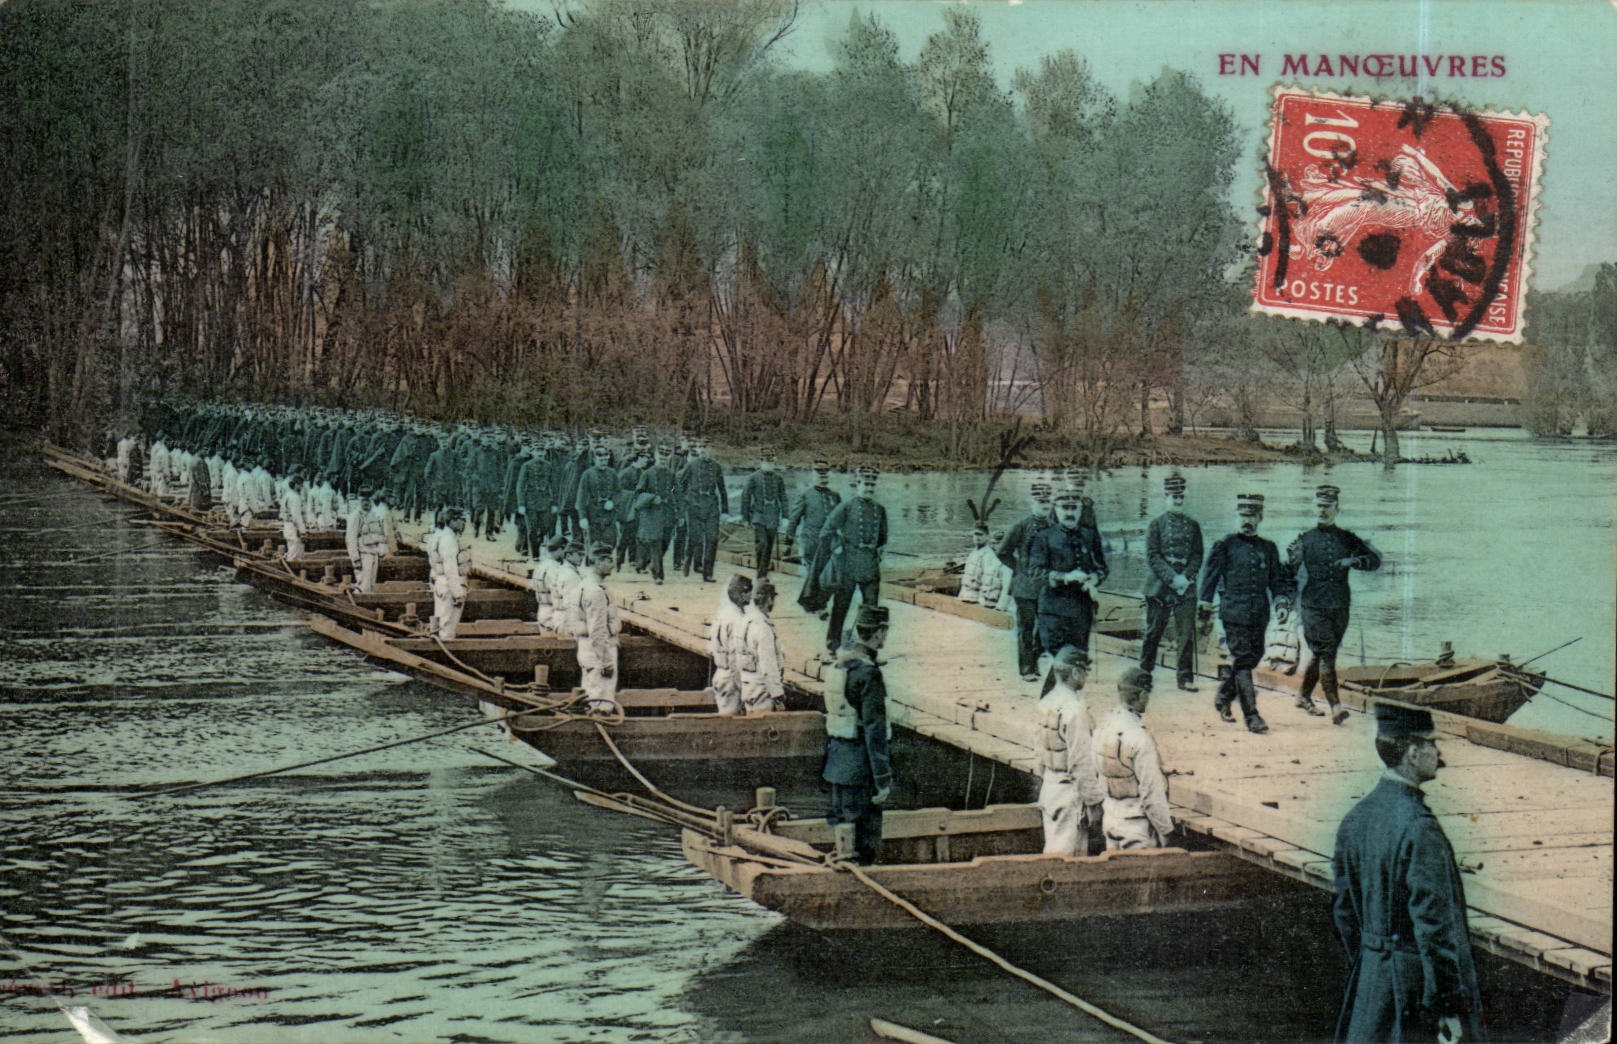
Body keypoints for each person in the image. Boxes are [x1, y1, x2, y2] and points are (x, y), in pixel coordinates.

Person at [1332, 703, 1484, 1044]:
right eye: (1432, 744)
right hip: (1415, 994)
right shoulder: (1421, 829)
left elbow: (1343, 912)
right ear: (1413, 753)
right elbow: (1434, 928)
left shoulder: (1355, 817)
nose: (1439, 753)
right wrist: (1447, 1005)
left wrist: (1374, 959)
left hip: (1371, 984)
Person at [1199, 493, 1293, 734]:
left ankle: (1223, 695)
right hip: (1233, 613)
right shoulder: (1224, 545)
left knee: (1255, 656)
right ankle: (1252, 716)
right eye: (1242, 515)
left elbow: (1277, 582)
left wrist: (1281, 604)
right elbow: (1209, 579)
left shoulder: (1269, 549)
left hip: (1259, 615)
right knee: (1242, 662)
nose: (1246, 520)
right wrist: (1204, 606)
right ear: (1236, 516)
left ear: (1260, 517)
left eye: (1251, 515)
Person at [1288, 484, 1382, 724]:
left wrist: (1353, 560)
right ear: (1313, 507)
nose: (1323, 511)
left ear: (1337, 509)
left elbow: (1374, 561)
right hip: (1312, 605)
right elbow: (1287, 573)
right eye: (1319, 506)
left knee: (1322, 653)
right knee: (1327, 652)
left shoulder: (1347, 538)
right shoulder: (1304, 539)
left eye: (1327, 506)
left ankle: (1303, 696)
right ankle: (1336, 707)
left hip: (1340, 606)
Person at [822, 604, 894, 865]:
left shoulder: (840, 666)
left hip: (837, 766)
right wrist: (883, 778)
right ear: (878, 633)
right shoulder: (869, 675)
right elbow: (874, 730)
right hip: (861, 770)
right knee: (866, 844)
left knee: (842, 830)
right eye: (884, 631)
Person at [1093, 666, 1174, 849]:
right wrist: (1165, 830)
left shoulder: (1103, 727)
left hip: (1111, 818)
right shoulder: (1139, 738)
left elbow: (1095, 771)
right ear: (1143, 695)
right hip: (1135, 826)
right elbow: (1151, 793)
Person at [1028, 481, 1108, 667]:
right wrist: (1065, 577)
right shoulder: (1043, 537)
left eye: (1074, 508)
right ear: (1056, 509)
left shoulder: (1089, 535)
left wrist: (1094, 580)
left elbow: (1102, 568)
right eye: (1065, 508)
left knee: (1078, 664)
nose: (1070, 513)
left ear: (1081, 510)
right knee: (1062, 663)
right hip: (1054, 611)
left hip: (1082, 611)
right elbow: (1035, 572)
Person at [1036, 645, 1105, 855]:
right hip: (1069, 794)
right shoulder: (1075, 710)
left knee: (1053, 853)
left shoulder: (1045, 703)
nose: (1086, 675)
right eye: (1085, 670)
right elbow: (1080, 763)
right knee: (1069, 863)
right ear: (1075, 672)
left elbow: (1038, 755)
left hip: (1050, 788)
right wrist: (1094, 802)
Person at [1139, 473, 1204, 691]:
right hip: (1160, 586)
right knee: (1153, 631)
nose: (1178, 501)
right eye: (1173, 497)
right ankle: (1145, 674)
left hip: (1185, 586)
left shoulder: (1193, 525)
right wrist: (1172, 578)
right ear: (1165, 497)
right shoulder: (1156, 525)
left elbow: (1197, 555)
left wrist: (1185, 578)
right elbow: (1153, 556)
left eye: (1181, 497)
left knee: (1186, 633)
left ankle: (1185, 677)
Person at [818, 465, 888, 654]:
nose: (869, 489)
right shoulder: (847, 506)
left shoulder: (880, 510)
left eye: (872, 486)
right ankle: (832, 646)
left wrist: (880, 551)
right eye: (865, 485)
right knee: (841, 606)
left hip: (870, 565)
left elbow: (883, 538)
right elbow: (826, 531)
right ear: (857, 484)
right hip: (848, 565)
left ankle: (869, 650)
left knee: (871, 610)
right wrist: (837, 547)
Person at [996, 481, 1054, 681]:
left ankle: (1034, 659)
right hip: (1025, 587)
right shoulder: (1021, 526)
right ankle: (1027, 668)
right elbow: (1002, 552)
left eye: (1047, 501)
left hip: (1047, 587)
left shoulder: (1055, 527)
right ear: (1032, 503)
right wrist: (1020, 570)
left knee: (1047, 627)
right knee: (1026, 628)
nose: (1044, 505)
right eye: (1040, 501)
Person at [572, 542, 621, 715]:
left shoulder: (583, 586)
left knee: (591, 697)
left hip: (586, 649)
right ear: (598, 562)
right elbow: (598, 631)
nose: (612, 565)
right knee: (602, 704)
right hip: (599, 652)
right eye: (609, 560)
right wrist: (606, 662)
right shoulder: (596, 592)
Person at [785, 459, 840, 588]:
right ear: (813, 476)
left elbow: (841, 520)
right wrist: (788, 542)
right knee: (812, 577)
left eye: (825, 475)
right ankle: (813, 605)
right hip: (811, 543)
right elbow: (794, 519)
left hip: (828, 544)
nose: (823, 478)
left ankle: (818, 604)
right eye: (819, 475)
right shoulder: (806, 495)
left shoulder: (835, 496)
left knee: (826, 578)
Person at [680, 436, 728, 582]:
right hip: (694, 504)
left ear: (711, 450)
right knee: (694, 538)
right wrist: (682, 504)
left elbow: (722, 489)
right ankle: (688, 559)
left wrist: (725, 510)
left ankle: (708, 572)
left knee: (712, 539)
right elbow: (678, 485)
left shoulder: (716, 467)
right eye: (701, 448)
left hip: (711, 506)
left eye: (707, 448)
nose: (704, 451)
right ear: (697, 449)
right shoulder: (691, 466)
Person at [739, 580, 787, 713]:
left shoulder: (745, 621)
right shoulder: (763, 627)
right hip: (763, 689)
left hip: (748, 685)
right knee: (766, 730)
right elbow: (768, 665)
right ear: (770, 599)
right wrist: (778, 694)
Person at [740, 449, 789, 579]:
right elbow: (746, 497)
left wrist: (785, 516)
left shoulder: (778, 479)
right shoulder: (753, 478)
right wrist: (745, 517)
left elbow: (783, 498)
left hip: (773, 516)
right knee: (762, 544)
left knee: (769, 546)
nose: (769, 464)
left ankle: (764, 570)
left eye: (772, 462)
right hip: (759, 515)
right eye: (766, 462)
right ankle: (760, 573)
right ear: (761, 462)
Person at [708, 575, 752, 715]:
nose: (751, 597)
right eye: (749, 593)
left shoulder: (722, 614)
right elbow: (735, 657)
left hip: (720, 673)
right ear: (742, 595)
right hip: (731, 678)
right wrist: (743, 686)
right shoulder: (737, 619)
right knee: (731, 726)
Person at [424, 508, 469, 640]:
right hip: (449, 585)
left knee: (441, 621)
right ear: (452, 521)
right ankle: (444, 654)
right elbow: (450, 568)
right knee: (448, 626)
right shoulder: (448, 539)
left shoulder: (438, 535)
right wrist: (457, 592)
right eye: (462, 520)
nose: (463, 524)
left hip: (441, 583)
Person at [356, 488, 392, 595]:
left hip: (374, 553)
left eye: (368, 500)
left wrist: (383, 550)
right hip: (364, 554)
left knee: (372, 585)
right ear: (360, 500)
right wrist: (355, 559)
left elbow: (380, 534)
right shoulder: (356, 516)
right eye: (364, 500)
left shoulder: (374, 514)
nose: (366, 503)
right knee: (364, 585)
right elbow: (351, 539)